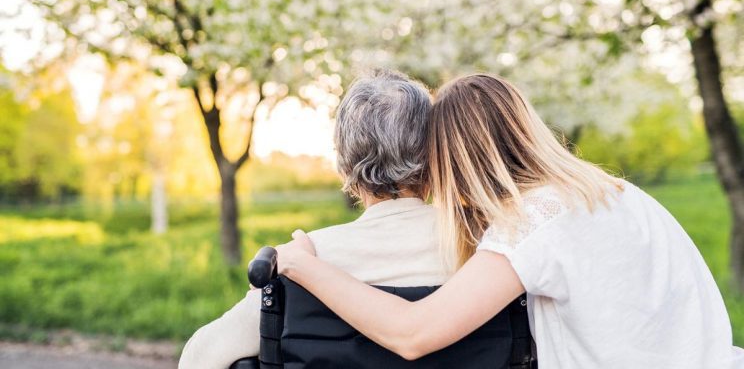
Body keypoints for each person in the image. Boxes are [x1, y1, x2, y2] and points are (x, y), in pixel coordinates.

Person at [277, 74, 744, 368]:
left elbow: (413, 334)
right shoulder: (613, 192)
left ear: (457, 161)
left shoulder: (533, 221)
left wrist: (302, 264)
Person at [178, 70, 450, 369]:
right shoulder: (483, 256)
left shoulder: (302, 260)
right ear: (434, 157)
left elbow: (198, 358)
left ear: (344, 167)